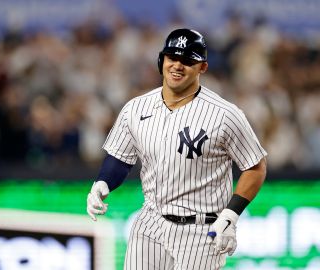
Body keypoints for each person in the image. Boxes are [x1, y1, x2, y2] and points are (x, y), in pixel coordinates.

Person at [86, 28, 267, 269]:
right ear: (162, 61)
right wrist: (102, 183)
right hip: (150, 223)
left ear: (202, 67)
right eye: (172, 58)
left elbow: (255, 167)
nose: (177, 66)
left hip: (201, 231)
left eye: (187, 61)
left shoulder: (225, 114)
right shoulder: (136, 108)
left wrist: (231, 214)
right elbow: (120, 158)